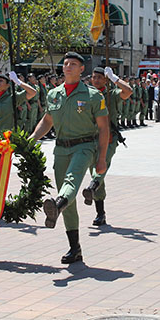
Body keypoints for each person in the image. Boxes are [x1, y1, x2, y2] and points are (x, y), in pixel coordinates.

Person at [30, 52, 109, 264]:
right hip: (61, 149)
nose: (68, 67)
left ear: (82, 69)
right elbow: (47, 121)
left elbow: (103, 128)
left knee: (71, 182)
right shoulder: (54, 94)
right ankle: (75, 248)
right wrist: (31, 139)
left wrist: (101, 158)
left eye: (73, 64)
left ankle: (58, 203)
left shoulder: (93, 96)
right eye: (65, 64)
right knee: (68, 201)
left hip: (84, 146)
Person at [82, 67, 132, 226]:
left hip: (109, 137)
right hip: (91, 138)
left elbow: (128, 91)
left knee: (102, 167)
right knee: (96, 173)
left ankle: (91, 186)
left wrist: (114, 78)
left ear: (105, 80)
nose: (96, 80)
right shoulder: (87, 94)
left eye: (100, 78)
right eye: (94, 77)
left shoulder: (111, 95)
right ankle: (100, 213)